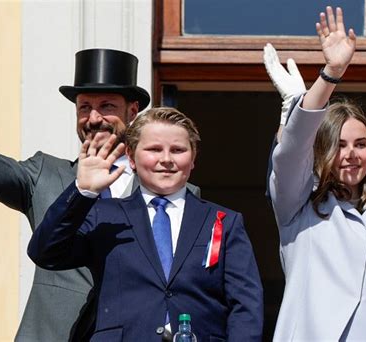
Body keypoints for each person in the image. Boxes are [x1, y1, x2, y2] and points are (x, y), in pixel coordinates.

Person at [0, 48, 198, 341]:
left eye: (106, 106)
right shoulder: (44, 174)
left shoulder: (179, 193)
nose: (93, 118)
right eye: (83, 107)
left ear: (132, 111)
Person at [27, 106, 264, 341]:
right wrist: (83, 192)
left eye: (178, 150)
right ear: (131, 157)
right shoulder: (104, 214)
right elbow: (45, 253)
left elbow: (246, 305)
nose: (166, 159)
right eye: (154, 149)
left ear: (193, 158)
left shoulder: (224, 221)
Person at [265, 7, 366, 341]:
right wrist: (330, 74)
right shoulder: (298, 206)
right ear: (322, 151)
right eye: (340, 145)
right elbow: (291, 152)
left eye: (361, 144)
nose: (352, 155)